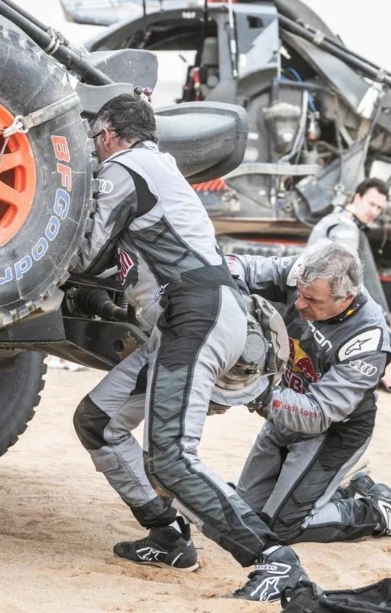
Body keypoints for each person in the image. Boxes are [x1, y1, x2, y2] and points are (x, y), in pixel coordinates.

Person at [70, 93, 309, 602]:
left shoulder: (125, 168)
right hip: (193, 315)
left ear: (109, 135)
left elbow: (87, 256)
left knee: (172, 458)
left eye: (94, 140)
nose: (93, 149)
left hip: (195, 315)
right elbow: (125, 263)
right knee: (97, 420)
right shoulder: (157, 168)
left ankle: (274, 559)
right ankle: (168, 536)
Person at [226, 241, 391, 545]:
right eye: (298, 291)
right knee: (247, 513)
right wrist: (224, 285)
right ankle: (349, 488)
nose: (298, 303)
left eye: (311, 299)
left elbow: (318, 414)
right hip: (285, 408)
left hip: (334, 430)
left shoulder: (368, 338)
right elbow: (238, 266)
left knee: (281, 529)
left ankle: (375, 512)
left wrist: (256, 392)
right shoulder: (301, 275)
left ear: (346, 298)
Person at [308, 179, 391, 353]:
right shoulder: (347, 228)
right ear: (357, 198)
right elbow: (345, 276)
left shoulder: (336, 218)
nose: (374, 211)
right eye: (371, 204)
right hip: (321, 306)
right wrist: (375, 317)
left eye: (379, 208)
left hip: (316, 299)